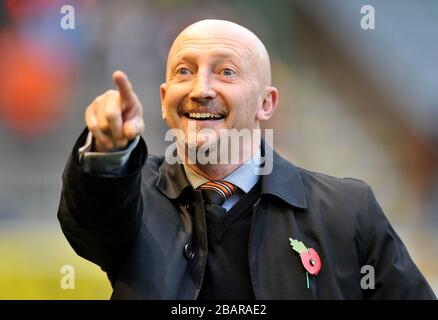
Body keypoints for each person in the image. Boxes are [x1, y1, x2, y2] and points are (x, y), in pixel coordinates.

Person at [58, 19, 436, 299]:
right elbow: (90, 219)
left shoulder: (348, 211)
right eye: (184, 71)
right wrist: (108, 155)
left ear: (266, 103)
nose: (201, 89)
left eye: (226, 71)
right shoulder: (131, 197)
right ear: (163, 99)